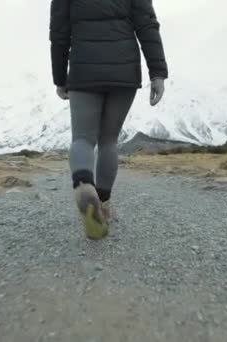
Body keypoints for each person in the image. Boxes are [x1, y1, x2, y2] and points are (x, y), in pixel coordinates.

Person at [49, 0, 168, 240]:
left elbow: (59, 33)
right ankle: (102, 204)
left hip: (84, 69)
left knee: (82, 138)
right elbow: (147, 25)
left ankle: (83, 185)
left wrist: (60, 78)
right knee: (108, 141)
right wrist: (157, 73)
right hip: (124, 69)